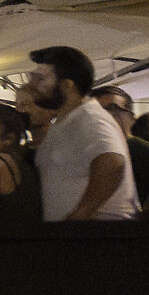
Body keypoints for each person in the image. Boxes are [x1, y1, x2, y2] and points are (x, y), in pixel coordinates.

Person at [25, 46, 137, 221]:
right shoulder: (68, 120)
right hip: (82, 237)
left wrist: (80, 214)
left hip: (98, 237)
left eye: (39, 78)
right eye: (31, 77)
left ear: (67, 85)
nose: (31, 85)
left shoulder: (89, 118)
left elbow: (112, 161)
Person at [92, 86, 149, 203]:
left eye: (112, 108)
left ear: (131, 117)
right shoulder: (89, 154)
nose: (104, 117)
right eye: (97, 111)